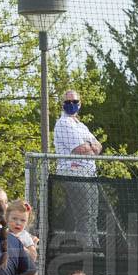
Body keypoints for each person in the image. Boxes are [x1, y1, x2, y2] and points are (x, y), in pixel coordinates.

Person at [53, 89, 102, 248]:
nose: (71, 104)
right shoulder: (63, 123)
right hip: (73, 173)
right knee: (85, 215)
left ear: (80, 104)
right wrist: (89, 146)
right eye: (68, 102)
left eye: (74, 102)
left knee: (93, 215)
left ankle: (95, 248)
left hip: (89, 174)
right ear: (62, 104)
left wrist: (90, 146)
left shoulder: (81, 125)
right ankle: (87, 250)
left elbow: (98, 146)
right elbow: (81, 149)